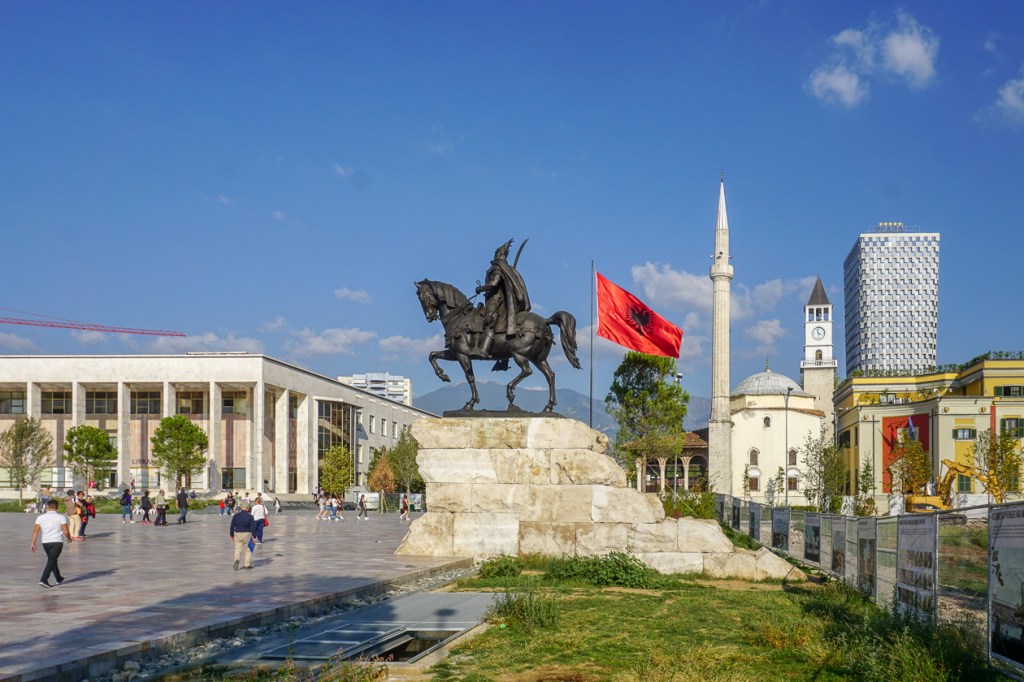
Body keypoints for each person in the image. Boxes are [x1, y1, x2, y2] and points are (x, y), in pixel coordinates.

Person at [470, 239, 531, 357]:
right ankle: (503, 357)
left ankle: (483, 350)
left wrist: (480, 288)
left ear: (500, 255)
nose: (496, 256)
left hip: (495, 300)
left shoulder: (497, 267)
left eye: (497, 254)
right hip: (502, 300)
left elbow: (494, 283)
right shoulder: (506, 268)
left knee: (489, 322)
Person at [31, 500, 71, 587]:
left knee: (52, 559)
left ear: (47, 507)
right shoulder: (61, 517)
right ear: (57, 507)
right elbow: (66, 531)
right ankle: (44, 579)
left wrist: (33, 543)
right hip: (57, 542)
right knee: (51, 560)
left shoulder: (40, 518)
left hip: (45, 542)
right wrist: (69, 538)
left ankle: (58, 578)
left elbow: (35, 531)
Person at [229, 500, 257, 570]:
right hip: (247, 533)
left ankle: (237, 560)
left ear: (241, 508)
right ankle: (247, 564)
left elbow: (232, 526)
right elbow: (253, 527)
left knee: (237, 549)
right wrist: (254, 537)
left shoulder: (236, 516)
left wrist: (231, 534)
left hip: (238, 534)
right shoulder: (250, 516)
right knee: (248, 549)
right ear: (247, 508)